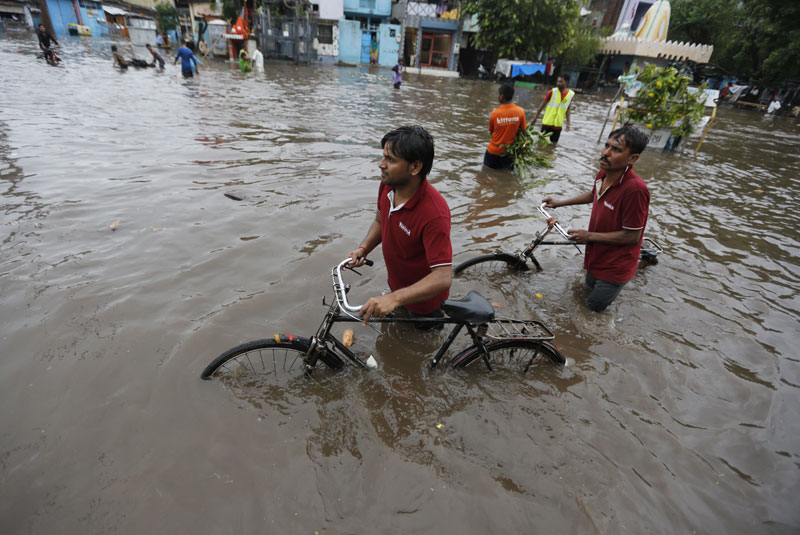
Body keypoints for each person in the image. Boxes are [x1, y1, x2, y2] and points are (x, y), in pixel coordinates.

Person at [346, 126, 453, 327]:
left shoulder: (434, 213)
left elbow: (443, 277)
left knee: (423, 342)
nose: (381, 164)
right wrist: (363, 248)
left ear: (415, 167)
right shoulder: (388, 186)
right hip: (397, 288)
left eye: (391, 160)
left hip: (424, 306)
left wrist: (393, 299)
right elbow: (380, 221)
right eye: (383, 156)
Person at [542, 124, 650, 312]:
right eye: (607, 146)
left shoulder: (635, 190)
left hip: (615, 268)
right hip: (595, 256)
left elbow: (632, 236)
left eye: (616, 150)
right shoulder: (604, 174)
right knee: (583, 297)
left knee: (592, 311)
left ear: (632, 158)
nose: (606, 153)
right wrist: (559, 203)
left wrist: (589, 235)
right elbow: (594, 194)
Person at [483, 83, 527, 170]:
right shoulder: (520, 111)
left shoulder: (495, 113)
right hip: (508, 154)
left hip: (493, 152)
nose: (498, 96)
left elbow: (491, 132)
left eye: (498, 94)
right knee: (506, 175)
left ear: (502, 96)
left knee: (486, 174)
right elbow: (524, 132)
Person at [531, 75, 575, 143]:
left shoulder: (570, 94)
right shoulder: (551, 92)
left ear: (566, 82)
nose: (558, 83)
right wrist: (535, 118)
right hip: (547, 124)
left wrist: (568, 123)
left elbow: (568, 109)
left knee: (553, 145)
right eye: (558, 81)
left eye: (561, 81)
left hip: (558, 126)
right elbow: (541, 106)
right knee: (540, 143)